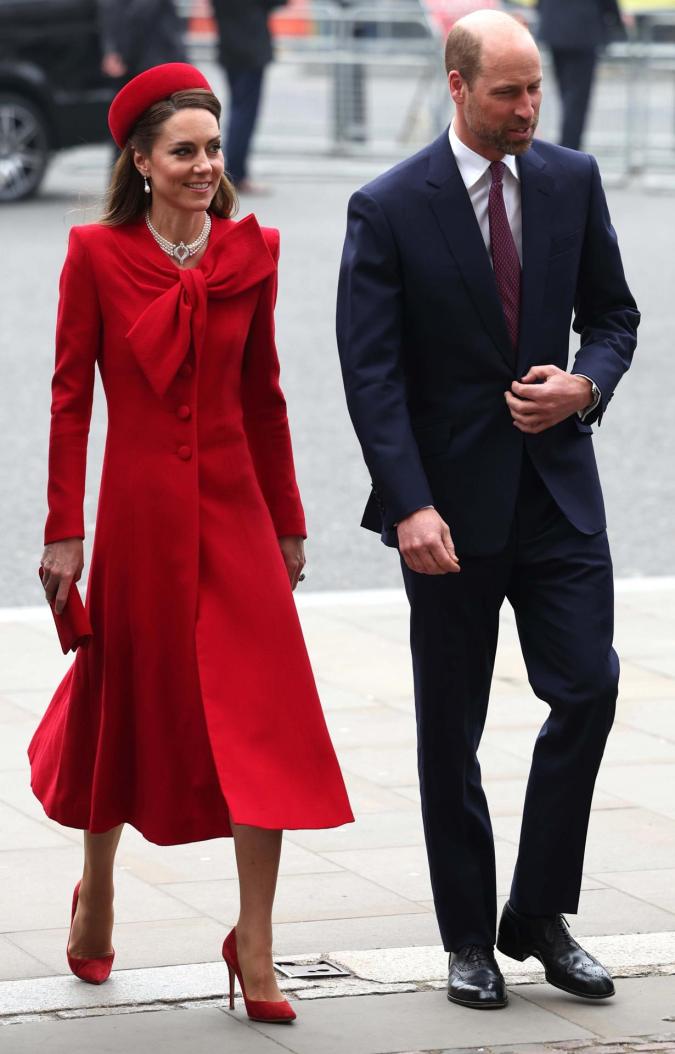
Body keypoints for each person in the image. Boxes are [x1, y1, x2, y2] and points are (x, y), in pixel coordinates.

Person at [31, 62, 353, 1022]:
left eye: (213, 148)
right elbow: (68, 399)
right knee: (122, 706)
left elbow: (265, 397)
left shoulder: (253, 253)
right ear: (140, 158)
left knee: (266, 720)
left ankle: (253, 943)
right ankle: (98, 891)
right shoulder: (94, 254)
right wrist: (63, 533)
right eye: (186, 151)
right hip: (136, 521)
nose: (205, 165)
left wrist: (289, 519)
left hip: (237, 517)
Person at [336, 10, 638, 1012]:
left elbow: (615, 317)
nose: (528, 108)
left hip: (558, 495)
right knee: (448, 731)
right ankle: (468, 937)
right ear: (457, 87)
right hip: (450, 517)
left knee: (589, 688)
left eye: (536, 88)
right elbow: (371, 375)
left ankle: (538, 914)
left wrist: (584, 387)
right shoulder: (387, 206)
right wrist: (410, 507)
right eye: (509, 91)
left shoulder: (570, 179)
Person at [211, 0, 287, 193]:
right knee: (244, 114)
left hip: (229, 46)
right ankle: (236, 174)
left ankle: (233, 171)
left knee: (238, 110)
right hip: (250, 48)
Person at [536, 0, 624, 150]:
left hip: (555, 27)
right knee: (577, 99)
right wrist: (617, 23)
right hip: (583, 31)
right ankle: (569, 148)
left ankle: (566, 147)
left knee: (566, 95)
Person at [97, 0, 187, 81]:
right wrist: (112, 52)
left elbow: (135, 18)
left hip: (156, 60)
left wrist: (115, 53)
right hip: (137, 61)